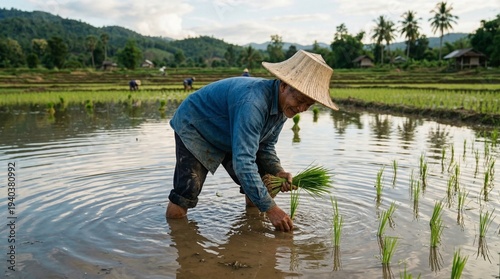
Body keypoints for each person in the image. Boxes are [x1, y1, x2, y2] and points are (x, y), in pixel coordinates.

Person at [166, 50, 339, 232]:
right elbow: (243, 163)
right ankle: (178, 239)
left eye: (308, 105)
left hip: (230, 132)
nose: (301, 108)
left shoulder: (283, 107)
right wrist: (272, 209)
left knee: (262, 180)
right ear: (283, 86)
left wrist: (278, 171)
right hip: (196, 125)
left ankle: (252, 230)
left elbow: (266, 146)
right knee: (187, 190)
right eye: (300, 100)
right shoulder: (253, 104)